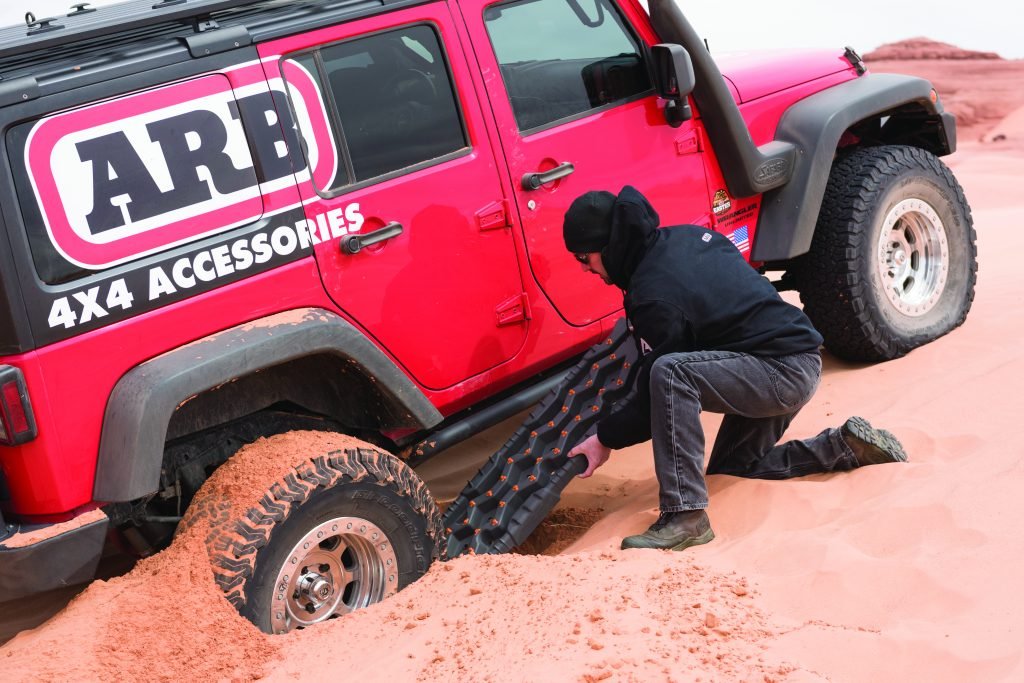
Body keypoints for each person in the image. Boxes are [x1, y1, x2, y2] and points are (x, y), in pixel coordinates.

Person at [564, 186, 907, 551]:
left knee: (671, 374)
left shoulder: (653, 294)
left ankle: (685, 517)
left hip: (780, 371)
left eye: (584, 257)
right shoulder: (685, 237)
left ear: (611, 245)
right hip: (784, 357)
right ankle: (842, 447)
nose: (585, 268)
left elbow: (657, 392)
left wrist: (605, 440)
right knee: (732, 469)